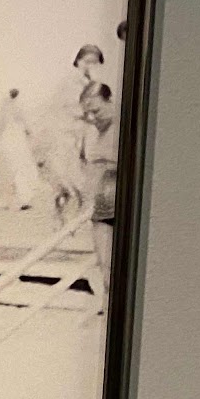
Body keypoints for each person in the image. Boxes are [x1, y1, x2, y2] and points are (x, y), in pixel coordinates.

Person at [77, 81, 119, 309]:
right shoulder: (94, 134)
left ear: (110, 102)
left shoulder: (128, 125)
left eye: (96, 111)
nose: (92, 118)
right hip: (101, 205)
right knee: (106, 264)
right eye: (87, 114)